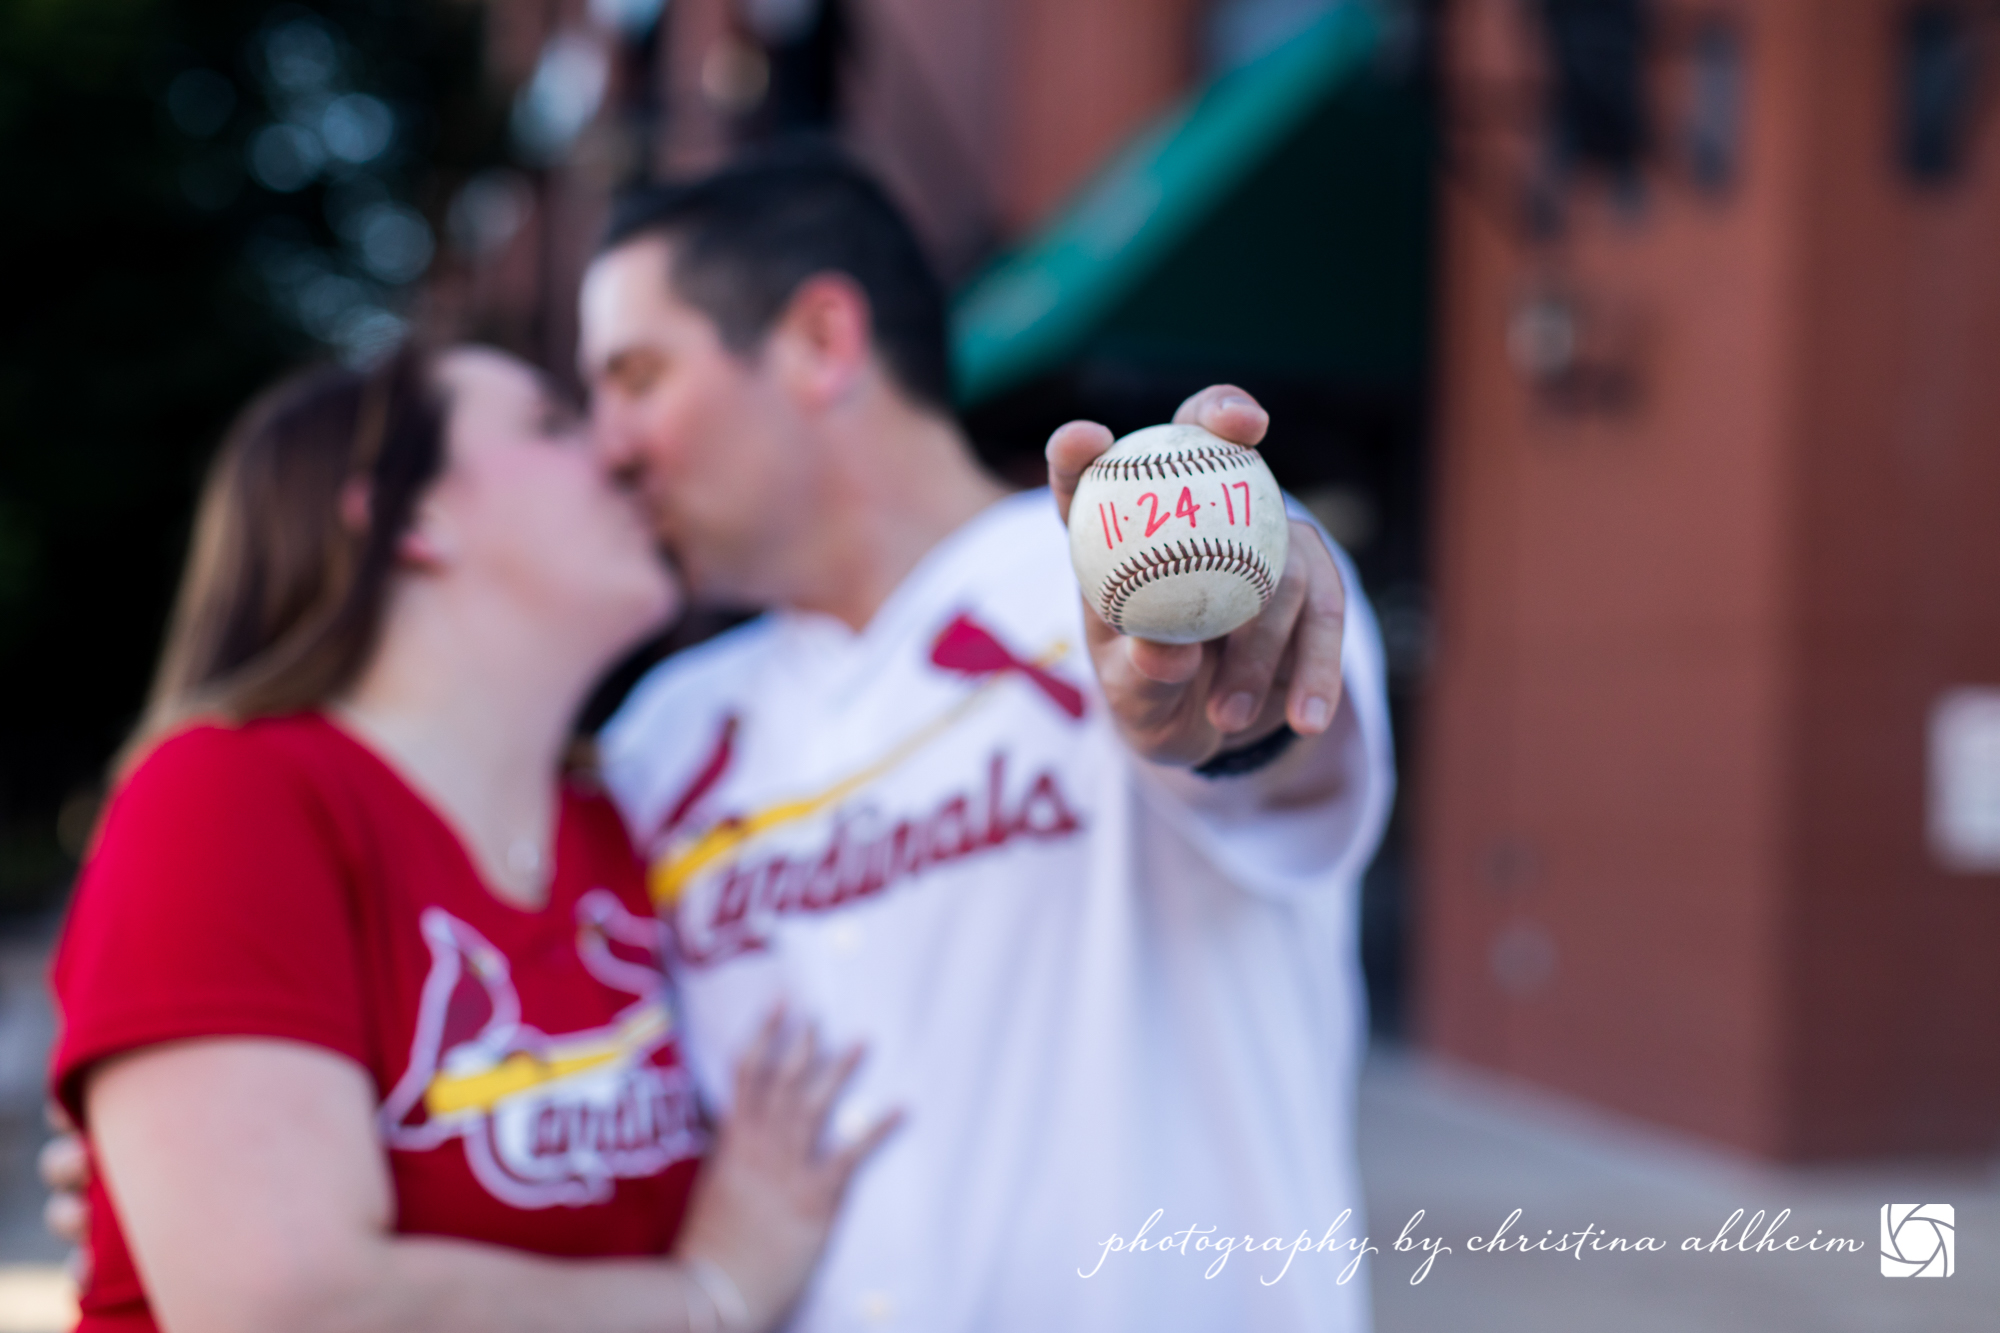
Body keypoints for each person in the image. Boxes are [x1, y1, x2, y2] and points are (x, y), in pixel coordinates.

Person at [580, 146, 1394, 1329]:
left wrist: (1220, 704)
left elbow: (1263, 751)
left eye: (638, 374)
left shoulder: (1117, 589)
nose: (609, 443)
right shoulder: (664, 734)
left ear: (818, 340)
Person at [46, 344, 894, 1333]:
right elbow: (285, 1309)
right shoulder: (227, 792)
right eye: (551, 425)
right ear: (411, 521)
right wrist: (708, 1295)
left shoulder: (619, 821)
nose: (619, 456)